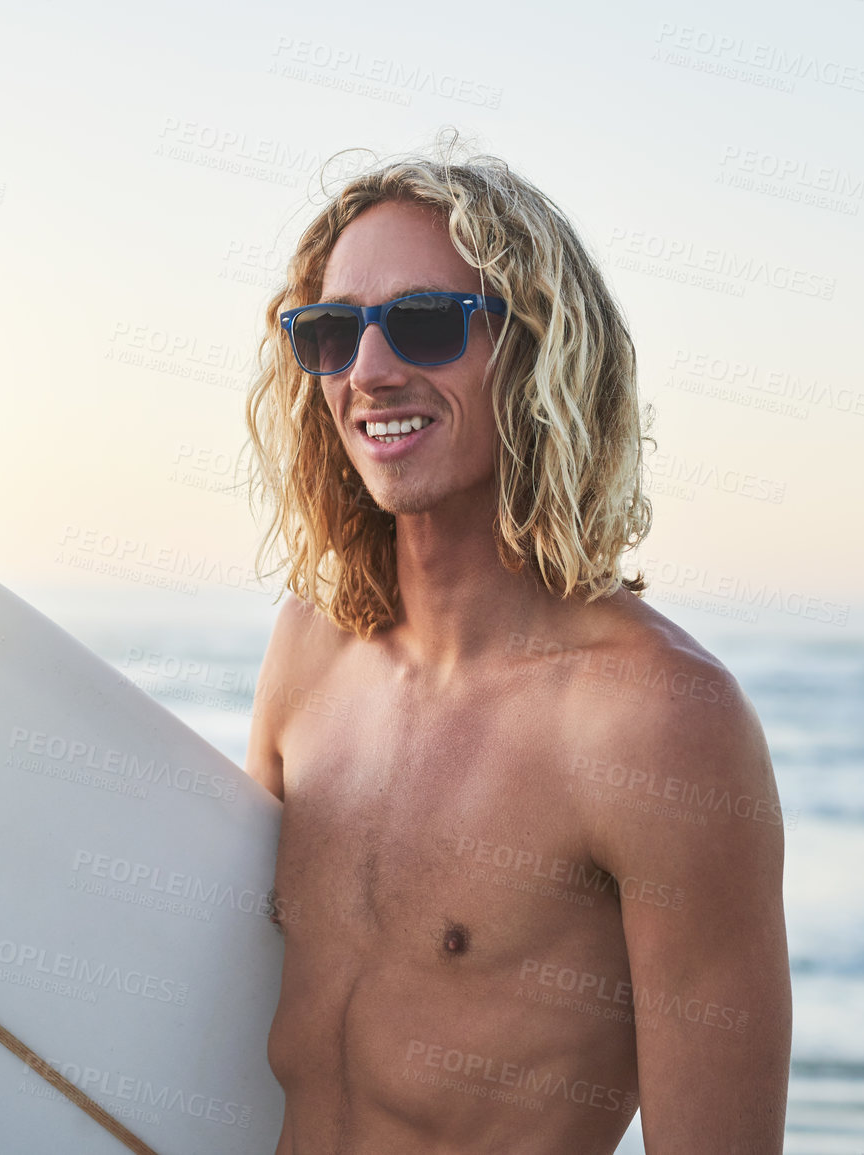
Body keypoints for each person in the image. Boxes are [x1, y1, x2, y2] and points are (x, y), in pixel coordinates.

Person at [241, 136, 791, 1154]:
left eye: (422, 323)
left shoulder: (656, 723)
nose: (368, 372)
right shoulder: (308, 653)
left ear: (536, 351)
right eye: (329, 332)